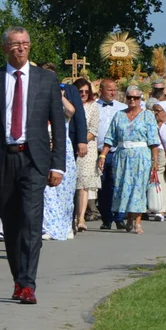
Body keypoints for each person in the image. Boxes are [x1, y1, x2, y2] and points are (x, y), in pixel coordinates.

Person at [0, 27, 66, 305]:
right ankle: (18, 278)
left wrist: (58, 165)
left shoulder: (45, 79)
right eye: (15, 44)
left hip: (34, 160)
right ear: (5, 48)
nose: (21, 48)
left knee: (31, 220)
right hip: (3, 159)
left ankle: (28, 284)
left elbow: (58, 124)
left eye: (25, 44)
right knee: (11, 223)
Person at [99, 86, 159, 235]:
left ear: (141, 99)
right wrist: (103, 155)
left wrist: (155, 160)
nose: (132, 100)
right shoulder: (119, 115)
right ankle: (129, 218)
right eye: (129, 97)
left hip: (141, 156)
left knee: (138, 188)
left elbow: (153, 140)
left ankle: (138, 222)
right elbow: (110, 137)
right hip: (122, 156)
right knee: (123, 188)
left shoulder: (148, 116)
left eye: (136, 98)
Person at [41, 86, 77, 241]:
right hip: (44, 150)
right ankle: (47, 227)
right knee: (46, 192)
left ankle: (66, 226)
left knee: (65, 193)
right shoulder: (41, 112)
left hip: (63, 152)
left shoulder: (61, 113)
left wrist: (59, 95)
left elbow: (71, 110)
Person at [95, 78, 128, 230]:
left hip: (117, 152)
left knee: (117, 184)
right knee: (102, 187)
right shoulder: (94, 106)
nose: (113, 92)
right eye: (109, 90)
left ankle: (120, 217)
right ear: (101, 90)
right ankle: (106, 218)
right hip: (98, 152)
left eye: (114, 89)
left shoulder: (122, 108)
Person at [72, 78, 101, 232]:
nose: (83, 94)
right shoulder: (70, 104)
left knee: (83, 184)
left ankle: (81, 218)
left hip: (87, 148)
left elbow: (94, 129)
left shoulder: (93, 106)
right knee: (72, 183)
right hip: (70, 145)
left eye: (86, 91)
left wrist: (81, 142)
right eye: (80, 91)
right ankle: (70, 217)